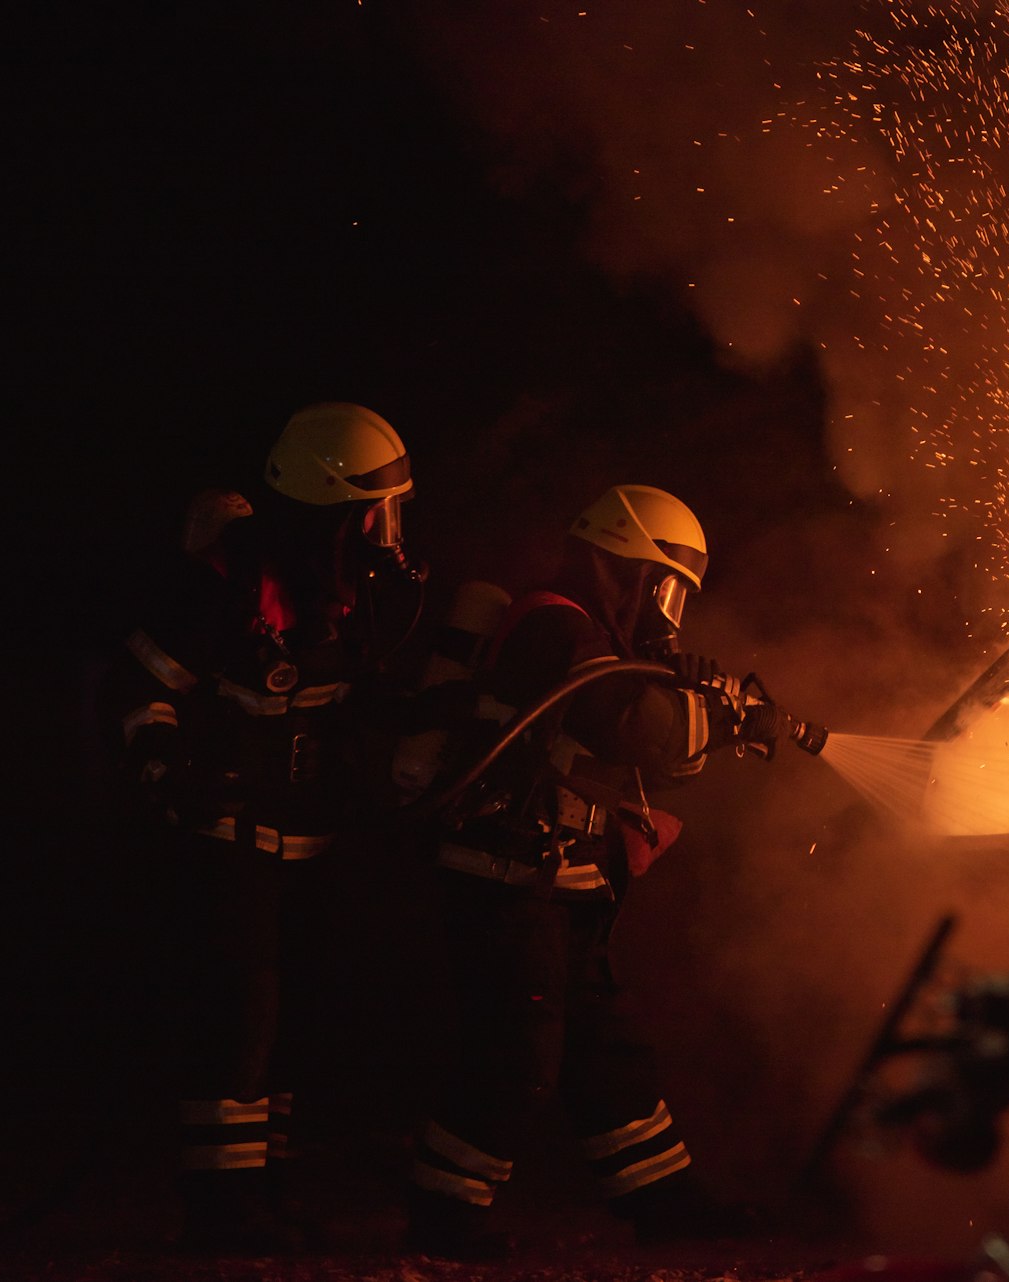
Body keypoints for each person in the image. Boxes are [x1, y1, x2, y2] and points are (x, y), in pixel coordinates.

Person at [404, 484, 774, 1259]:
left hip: (557, 875)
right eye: (666, 588)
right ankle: (444, 1211)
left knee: (602, 1043)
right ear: (627, 571)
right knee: (518, 1048)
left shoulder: (594, 637)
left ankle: (661, 1198)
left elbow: (647, 735)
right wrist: (725, 712)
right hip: (503, 874)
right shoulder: (556, 626)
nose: (669, 612)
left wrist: (705, 704)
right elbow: (640, 730)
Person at [103, 402, 426, 1253]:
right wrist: (166, 768)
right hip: (232, 843)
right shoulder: (227, 587)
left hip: (312, 846)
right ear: (330, 509)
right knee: (239, 1020)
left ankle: (264, 1190)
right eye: (375, 511)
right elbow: (140, 692)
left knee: (298, 1022)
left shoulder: (352, 595)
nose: (387, 532)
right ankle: (220, 1208)